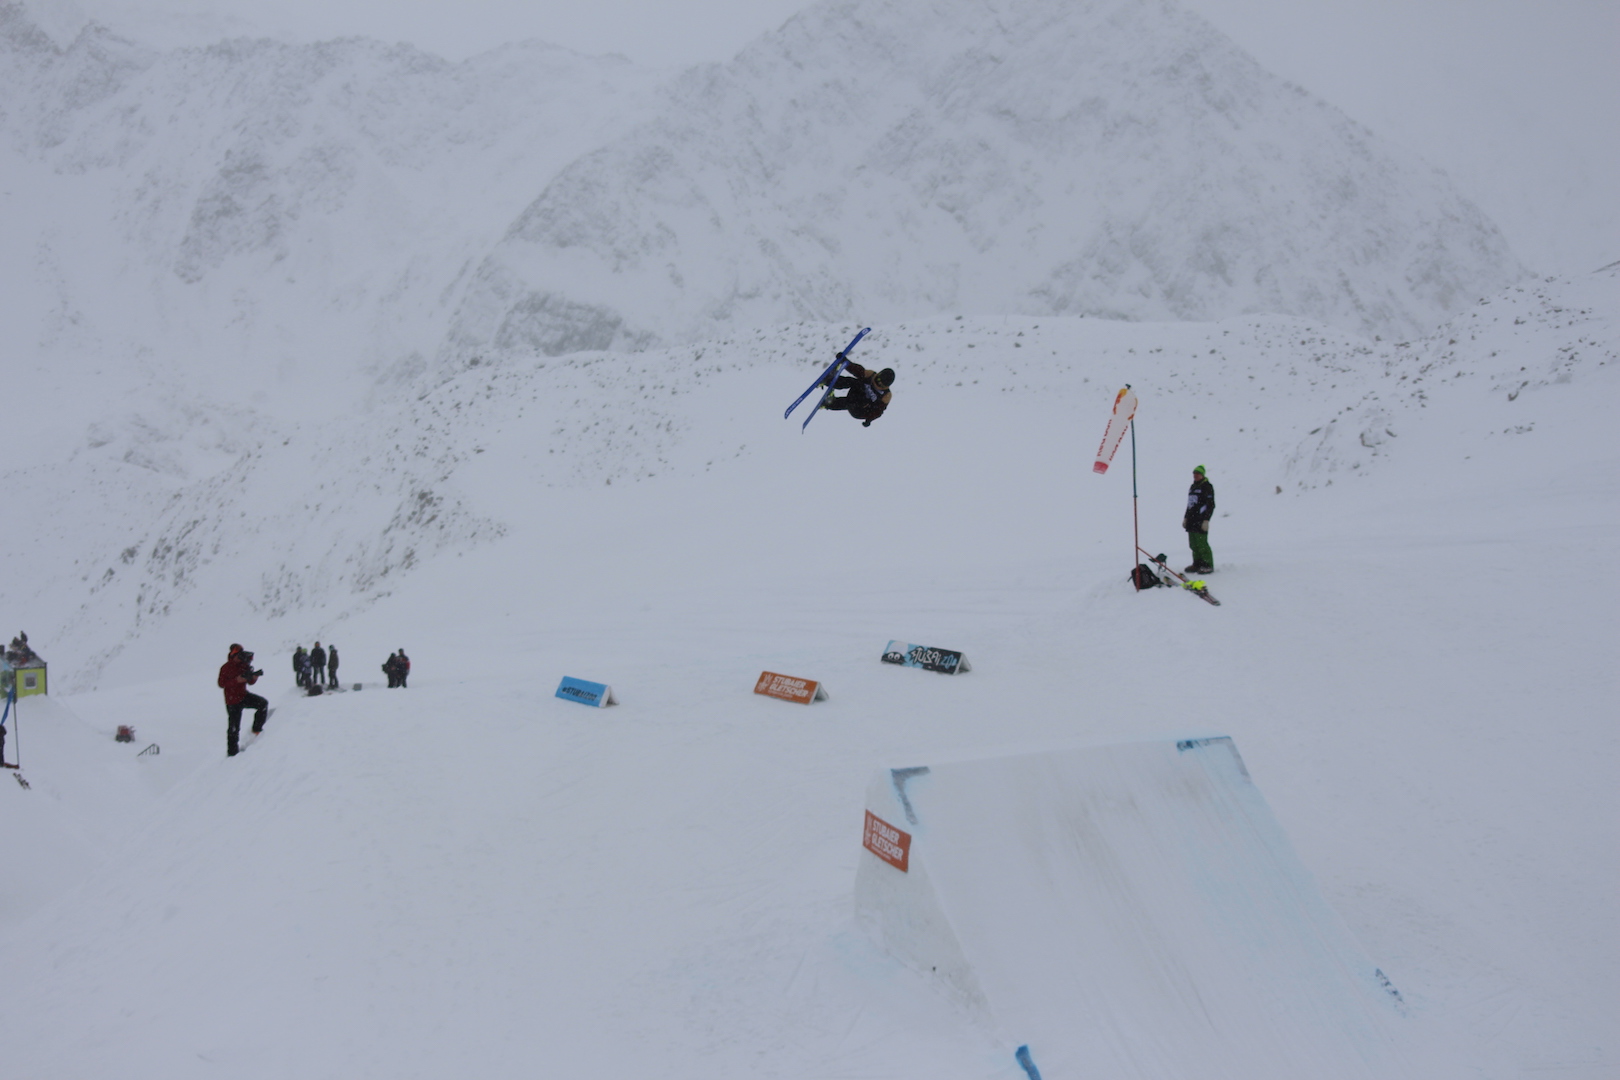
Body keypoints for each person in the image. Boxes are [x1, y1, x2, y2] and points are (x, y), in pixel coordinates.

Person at [217, 643, 267, 757]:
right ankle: (232, 753)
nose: (240, 658)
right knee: (234, 728)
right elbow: (221, 683)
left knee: (263, 704)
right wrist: (236, 680)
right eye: (238, 656)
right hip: (232, 701)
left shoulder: (244, 665)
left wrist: (254, 677)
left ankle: (256, 730)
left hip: (243, 696)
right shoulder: (226, 667)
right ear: (233, 655)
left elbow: (250, 682)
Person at [821, 359, 894, 427]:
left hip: (860, 410)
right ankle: (829, 381)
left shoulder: (886, 395)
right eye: (877, 380)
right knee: (855, 382)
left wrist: (869, 419)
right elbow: (857, 370)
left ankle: (830, 404)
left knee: (857, 402)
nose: (877, 385)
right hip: (856, 394)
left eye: (881, 385)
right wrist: (845, 362)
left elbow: (878, 411)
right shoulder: (871, 375)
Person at [1183, 465, 1216, 574]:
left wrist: (1206, 520)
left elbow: (1210, 505)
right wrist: (1186, 517)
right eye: (1194, 473)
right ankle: (1197, 563)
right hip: (1191, 520)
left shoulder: (1207, 486)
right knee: (1193, 544)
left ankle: (1207, 564)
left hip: (1200, 520)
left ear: (1202, 475)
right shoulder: (1193, 487)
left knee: (1202, 544)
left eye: (1198, 473)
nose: (1195, 475)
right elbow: (1190, 504)